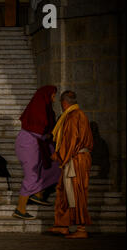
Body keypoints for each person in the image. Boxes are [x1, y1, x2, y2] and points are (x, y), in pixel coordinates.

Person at [48, 91, 93, 239]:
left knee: (77, 193)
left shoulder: (73, 116)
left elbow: (71, 139)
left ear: (64, 103)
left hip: (76, 159)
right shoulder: (77, 114)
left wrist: (59, 154)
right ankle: (62, 225)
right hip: (75, 158)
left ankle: (81, 228)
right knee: (63, 191)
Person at [13, 85, 61, 220]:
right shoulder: (37, 108)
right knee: (32, 174)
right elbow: (37, 130)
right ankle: (20, 208)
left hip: (41, 143)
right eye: (53, 95)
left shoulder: (47, 108)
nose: (54, 98)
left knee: (55, 167)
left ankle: (38, 194)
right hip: (28, 144)